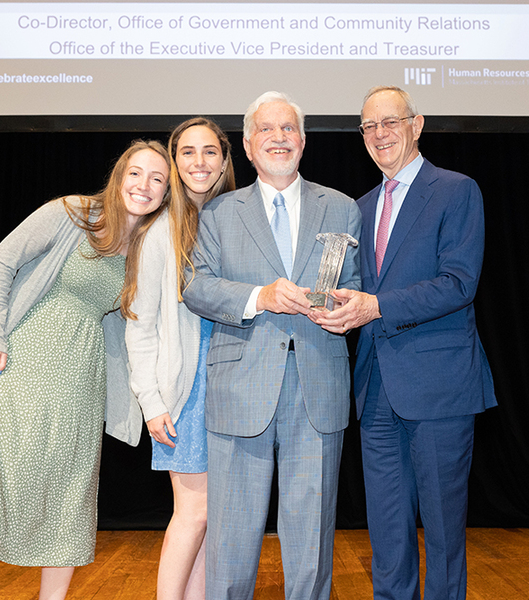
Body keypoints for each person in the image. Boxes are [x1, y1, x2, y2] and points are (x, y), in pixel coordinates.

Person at [0, 140, 171, 600]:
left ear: (166, 194)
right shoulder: (72, 213)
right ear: (118, 177)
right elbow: (1, 261)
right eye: (135, 173)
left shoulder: (149, 249)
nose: (143, 185)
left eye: (157, 179)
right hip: (13, 368)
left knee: (67, 503)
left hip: (77, 386)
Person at [310, 86, 498, 600]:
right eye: (368, 127)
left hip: (439, 387)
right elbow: (361, 290)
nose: (379, 134)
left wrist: (375, 307)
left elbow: (459, 283)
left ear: (417, 125)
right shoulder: (361, 208)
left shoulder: (457, 190)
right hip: (376, 391)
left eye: (389, 122)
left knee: (441, 530)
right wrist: (343, 308)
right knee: (388, 531)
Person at [181, 91, 362, 600]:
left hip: (318, 388)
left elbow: (357, 283)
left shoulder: (342, 208)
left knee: (311, 545)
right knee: (231, 546)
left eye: (288, 129)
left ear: (302, 141)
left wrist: (348, 310)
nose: (278, 138)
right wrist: (259, 296)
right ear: (249, 144)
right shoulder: (217, 213)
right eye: (267, 129)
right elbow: (196, 286)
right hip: (240, 390)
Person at [112, 118, 236, 600]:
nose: (199, 162)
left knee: (213, 515)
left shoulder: (234, 218)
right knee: (195, 512)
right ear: (174, 160)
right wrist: (152, 400)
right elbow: (139, 324)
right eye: (187, 153)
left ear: (226, 160)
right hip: (184, 389)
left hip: (230, 378)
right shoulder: (161, 230)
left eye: (210, 152)